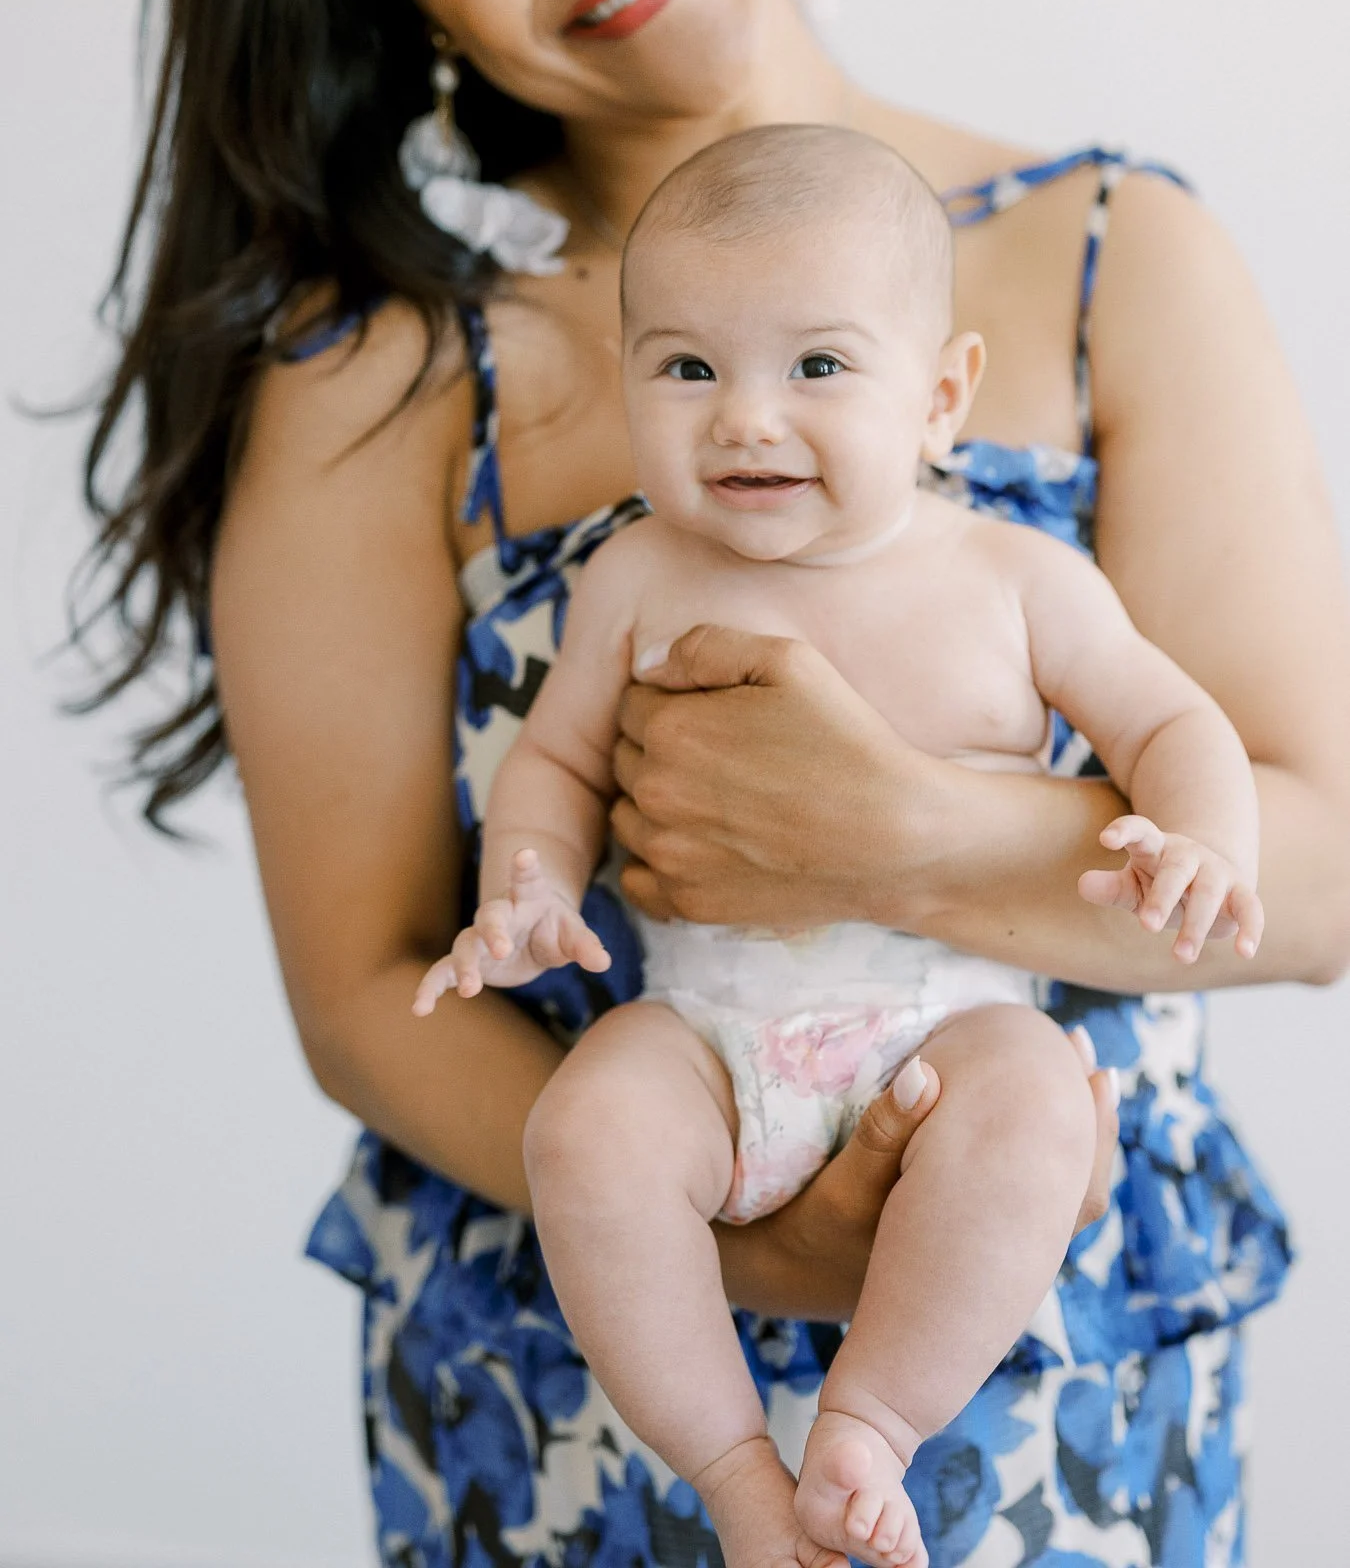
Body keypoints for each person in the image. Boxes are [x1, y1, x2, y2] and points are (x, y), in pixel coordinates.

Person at [80, 0, 1349, 1562]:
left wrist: (896, 834)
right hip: (586, 1365)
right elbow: (370, 993)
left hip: (1049, 1360)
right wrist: (738, 1240)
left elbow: (1318, 875)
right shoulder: (383, 372)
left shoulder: (1104, 259)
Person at [413, 124, 1266, 1568]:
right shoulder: (632, 574)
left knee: (1039, 1105)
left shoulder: (1012, 579)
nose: (744, 418)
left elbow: (1177, 721)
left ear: (939, 398)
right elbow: (551, 762)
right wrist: (529, 888)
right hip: (703, 1031)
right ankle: (741, 1477)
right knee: (586, 1126)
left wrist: (1203, 842)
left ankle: (867, 1426)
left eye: (814, 367)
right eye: (686, 368)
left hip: (944, 1029)